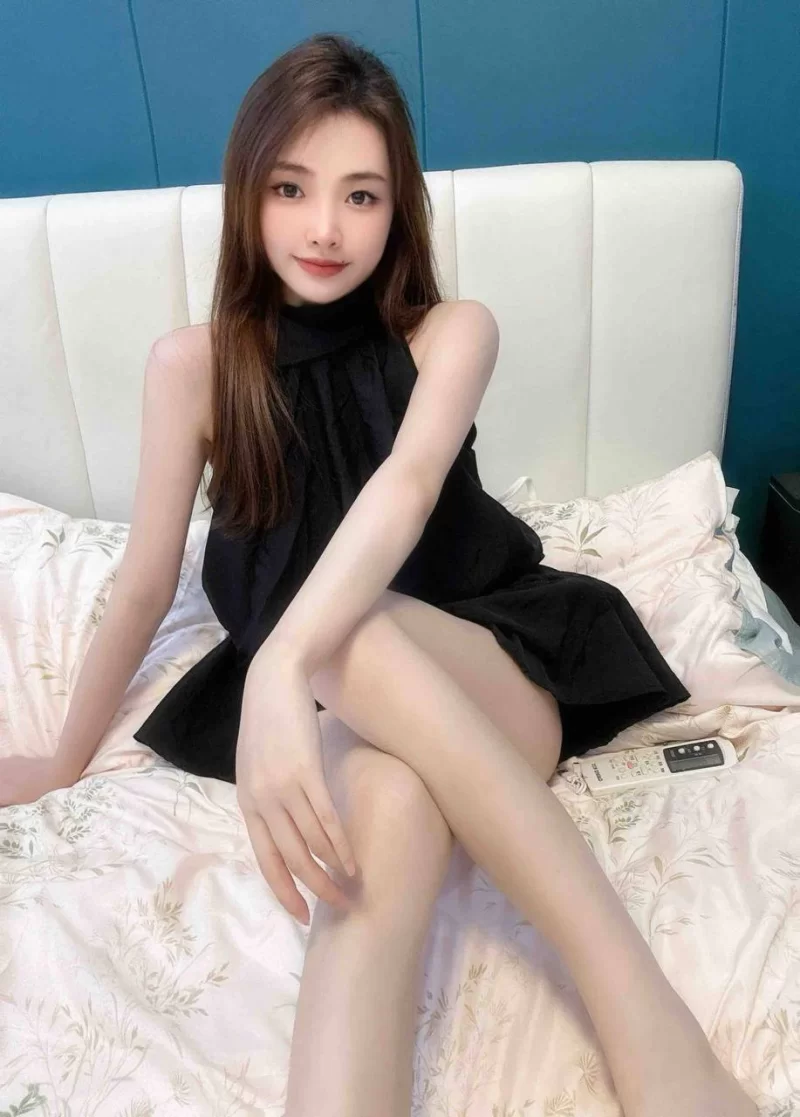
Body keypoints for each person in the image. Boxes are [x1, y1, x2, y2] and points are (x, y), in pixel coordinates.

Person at [0, 32, 757, 1117]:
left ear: (398, 210)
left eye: (360, 195)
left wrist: (281, 661)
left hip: (492, 672)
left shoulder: (451, 332)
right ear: (247, 196)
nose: (324, 227)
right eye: (291, 188)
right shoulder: (192, 369)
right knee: (376, 820)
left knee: (350, 632)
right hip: (342, 714)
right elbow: (142, 581)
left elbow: (402, 492)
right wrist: (61, 757)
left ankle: (649, 1029)